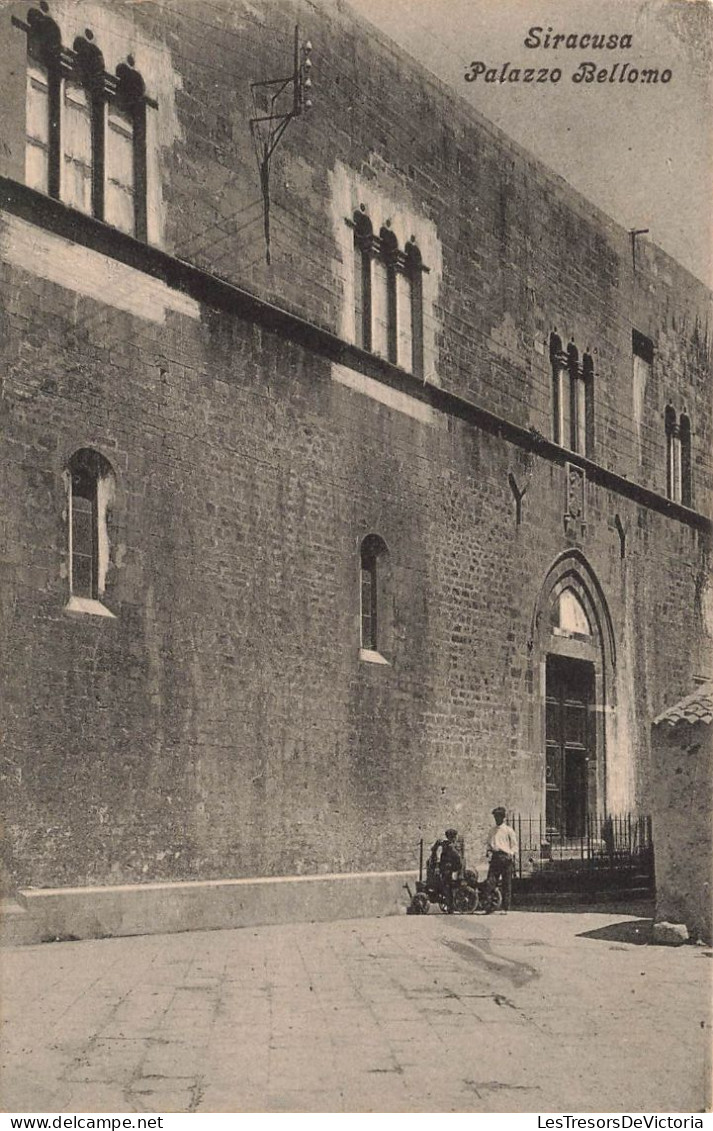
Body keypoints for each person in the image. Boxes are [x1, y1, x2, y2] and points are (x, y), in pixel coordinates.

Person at [484, 807, 517, 913]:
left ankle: (505, 907)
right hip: (495, 857)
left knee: (506, 883)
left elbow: (514, 846)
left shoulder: (508, 830)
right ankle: (490, 906)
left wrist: (510, 855)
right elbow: (489, 844)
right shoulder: (492, 831)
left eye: (499, 817)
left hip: (505, 858)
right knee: (490, 882)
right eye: (495, 817)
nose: (497, 819)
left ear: (503, 818)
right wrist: (489, 852)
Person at [430, 828, 462, 913]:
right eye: (455, 837)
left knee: (447, 887)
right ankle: (451, 906)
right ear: (452, 837)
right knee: (449, 888)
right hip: (447, 870)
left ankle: (450, 905)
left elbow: (435, 847)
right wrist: (458, 866)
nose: (456, 839)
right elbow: (457, 858)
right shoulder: (451, 847)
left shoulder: (444, 844)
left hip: (444, 869)